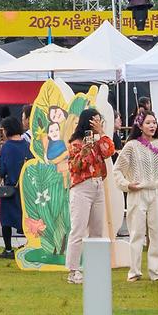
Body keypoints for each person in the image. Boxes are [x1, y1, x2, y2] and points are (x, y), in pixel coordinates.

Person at [116, 111, 158, 281]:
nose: (152, 126)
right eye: (148, 123)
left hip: (156, 193)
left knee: (157, 233)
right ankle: (134, 271)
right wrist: (127, 185)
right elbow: (117, 169)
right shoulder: (131, 146)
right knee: (136, 233)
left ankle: (157, 272)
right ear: (140, 126)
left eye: (154, 122)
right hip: (137, 193)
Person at [60, 109, 114, 284]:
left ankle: (95, 268)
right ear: (88, 122)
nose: (99, 124)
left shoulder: (99, 141)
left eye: (100, 121)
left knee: (97, 230)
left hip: (98, 185)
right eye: (96, 121)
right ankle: (73, 270)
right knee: (78, 229)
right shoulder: (76, 143)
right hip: (81, 188)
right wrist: (86, 149)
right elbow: (75, 167)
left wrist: (101, 134)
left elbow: (110, 150)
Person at [0, 113, 31, 258]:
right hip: (26, 190)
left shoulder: (7, 147)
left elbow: (3, 170)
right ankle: (30, 245)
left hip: (10, 190)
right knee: (27, 219)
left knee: (6, 220)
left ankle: (8, 249)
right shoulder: (27, 145)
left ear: (7, 129)